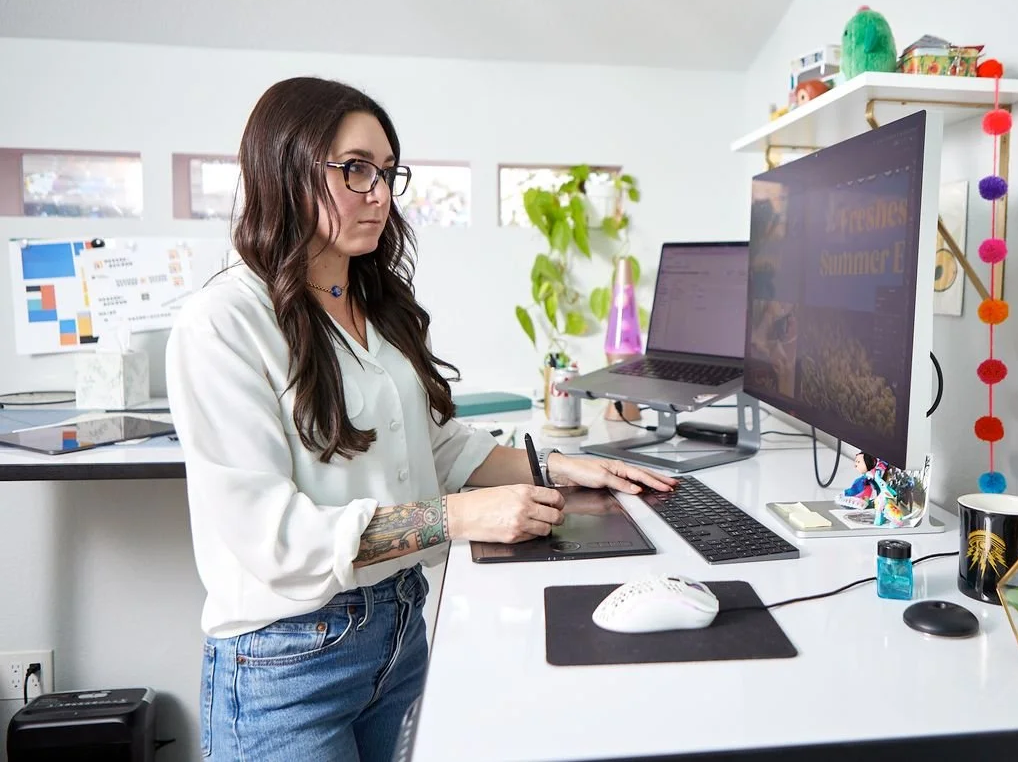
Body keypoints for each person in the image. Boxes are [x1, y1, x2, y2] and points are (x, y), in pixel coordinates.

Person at [165, 76, 676, 762]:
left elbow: (433, 443)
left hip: (399, 627)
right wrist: (459, 517)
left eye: (385, 172)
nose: (378, 193)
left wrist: (552, 463)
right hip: (287, 665)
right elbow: (276, 538)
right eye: (355, 170)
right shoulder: (221, 323)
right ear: (283, 168)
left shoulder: (370, 303)